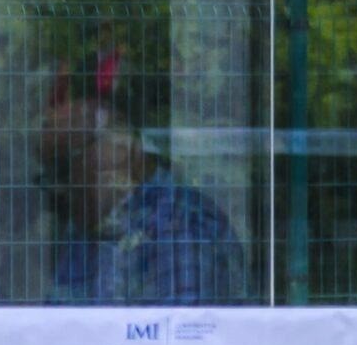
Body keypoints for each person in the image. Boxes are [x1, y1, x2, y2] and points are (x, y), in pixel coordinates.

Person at [41, 94, 250, 304]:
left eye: (63, 167)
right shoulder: (87, 227)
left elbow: (177, 331)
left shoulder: (178, 224)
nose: (56, 189)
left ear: (119, 150)